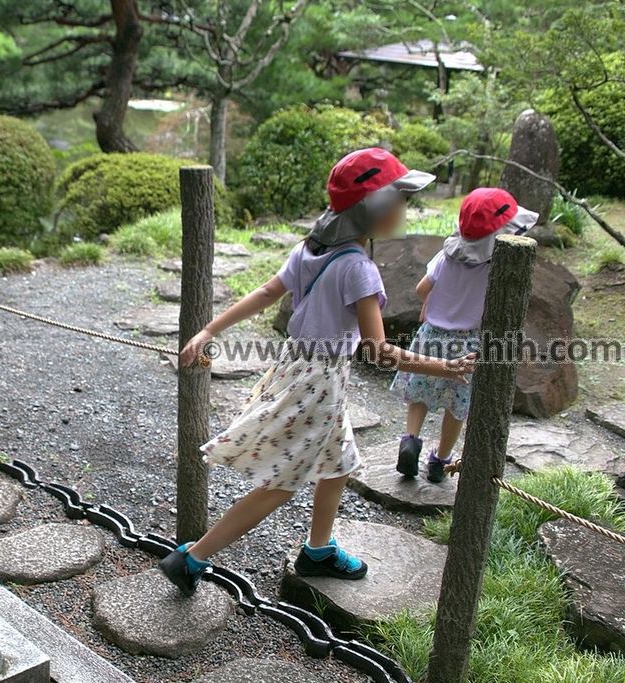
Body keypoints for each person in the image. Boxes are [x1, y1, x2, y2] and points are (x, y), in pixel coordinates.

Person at [159, 148, 476, 596]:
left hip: (297, 367)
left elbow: (268, 292)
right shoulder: (359, 269)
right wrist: (443, 368)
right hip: (320, 381)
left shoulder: (310, 250)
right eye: (401, 200)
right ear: (376, 210)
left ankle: (319, 550)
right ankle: (193, 558)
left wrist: (210, 328)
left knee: (338, 460)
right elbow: (379, 350)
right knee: (283, 483)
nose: (406, 209)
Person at [392, 187, 538, 483]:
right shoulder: (495, 266)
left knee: (419, 392)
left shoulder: (446, 256)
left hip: (431, 334)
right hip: (467, 343)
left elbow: (422, 289)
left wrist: (431, 305)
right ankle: (440, 461)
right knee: (457, 405)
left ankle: (410, 439)